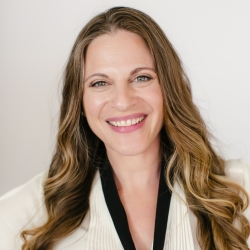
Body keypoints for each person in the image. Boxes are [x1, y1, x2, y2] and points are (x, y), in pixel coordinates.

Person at [0, 6, 250, 250]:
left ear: (168, 89)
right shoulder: (20, 217)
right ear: (80, 102)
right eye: (100, 83)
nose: (122, 101)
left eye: (141, 78)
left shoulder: (240, 192)